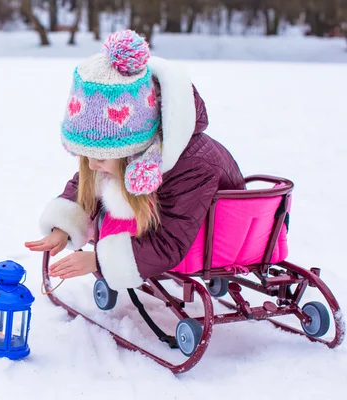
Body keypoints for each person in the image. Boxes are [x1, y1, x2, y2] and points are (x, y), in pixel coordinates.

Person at [24, 30, 245, 291]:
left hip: (211, 240)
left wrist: (98, 260)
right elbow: (89, 181)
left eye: (102, 158)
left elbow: (171, 240)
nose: (93, 166)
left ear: (135, 150)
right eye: (87, 156)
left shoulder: (192, 167)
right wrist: (64, 226)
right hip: (171, 222)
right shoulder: (131, 151)